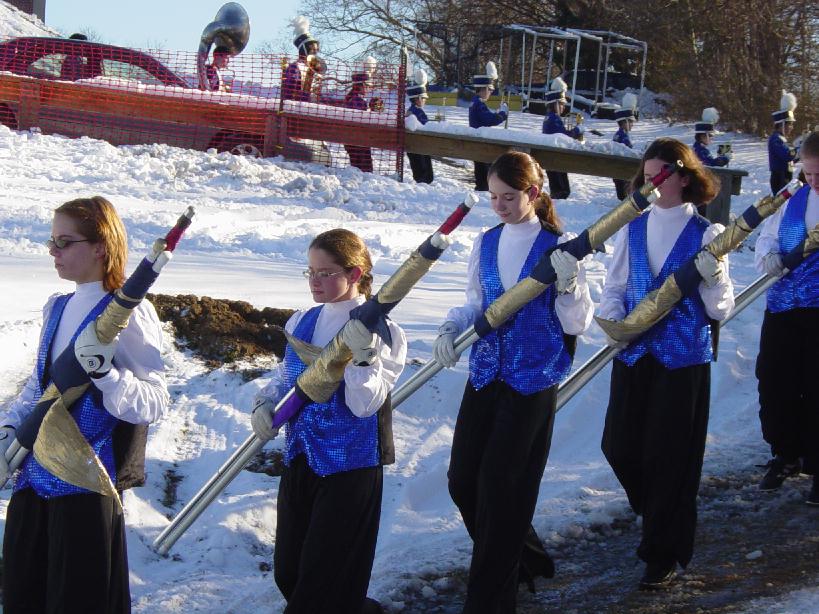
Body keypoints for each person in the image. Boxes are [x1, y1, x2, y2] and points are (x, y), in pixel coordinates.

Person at [433, 152, 593, 612]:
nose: (499, 205)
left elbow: (578, 322)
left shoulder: (559, 246)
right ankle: (526, 557)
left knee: (501, 488)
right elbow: (475, 302)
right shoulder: (485, 243)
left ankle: (489, 601)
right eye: (493, 197)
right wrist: (451, 327)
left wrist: (569, 286)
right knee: (463, 481)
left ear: (533, 193)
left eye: (508, 197)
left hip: (533, 378)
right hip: (486, 373)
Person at [0, 196, 169, 613]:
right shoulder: (57, 307)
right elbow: (38, 387)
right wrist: (8, 429)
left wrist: (106, 376)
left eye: (64, 242)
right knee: (23, 595)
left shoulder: (131, 313)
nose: (53, 251)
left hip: (87, 484)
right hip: (33, 478)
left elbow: (154, 402)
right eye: (51, 241)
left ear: (100, 247)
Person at [598, 137, 734, 590]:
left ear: (683, 176)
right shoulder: (631, 228)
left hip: (683, 361)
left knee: (670, 459)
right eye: (647, 174)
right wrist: (615, 322)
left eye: (661, 174)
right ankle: (658, 510)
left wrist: (715, 279)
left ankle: (662, 553)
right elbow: (615, 288)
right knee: (619, 447)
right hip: (635, 354)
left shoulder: (707, 234)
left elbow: (720, 309)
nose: (652, 182)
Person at [250, 229, 407, 614]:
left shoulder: (385, 332)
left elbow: (365, 405)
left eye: (325, 273)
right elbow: (286, 377)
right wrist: (265, 402)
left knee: (321, 582)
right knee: (289, 573)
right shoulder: (302, 320)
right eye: (311, 272)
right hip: (300, 458)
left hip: (349, 467)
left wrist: (363, 359)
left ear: (355, 274)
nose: (314, 282)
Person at [753, 130, 819, 505]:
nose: (814, 181)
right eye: (809, 173)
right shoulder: (792, 198)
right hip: (782, 305)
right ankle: (785, 452)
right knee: (775, 379)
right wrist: (769, 258)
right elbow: (768, 238)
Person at [541, 77, 584, 200]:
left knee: (559, 190)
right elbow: (563, 136)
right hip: (555, 159)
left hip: (552, 158)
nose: (563, 107)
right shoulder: (554, 119)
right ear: (555, 103)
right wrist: (577, 130)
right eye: (561, 104)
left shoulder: (550, 117)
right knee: (562, 190)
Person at [468, 61, 508, 191]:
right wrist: (503, 114)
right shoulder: (479, 104)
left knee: (482, 170)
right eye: (490, 89)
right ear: (484, 89)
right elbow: (489, 119)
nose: (491, 92)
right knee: (483, 173)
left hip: (478, 142)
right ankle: (482, 190)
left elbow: (487, 117)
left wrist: (498, 113)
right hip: (480, 143)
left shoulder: (476, 102)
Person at [405, 68, 434, 184]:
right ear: (418, 99)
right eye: (424, 98)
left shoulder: (413, 110)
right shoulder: (416, 112)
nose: (425, 101)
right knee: (423, 171)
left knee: (422, 170)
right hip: (419, 146)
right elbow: (424, 125)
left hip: (418, 146)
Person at [768, 90, 799, 194]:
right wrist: (800, 148)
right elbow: (787, 155)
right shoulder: (776, 139)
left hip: (785, 175)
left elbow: (791, 159)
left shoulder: (782, 139)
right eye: (790, 124)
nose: (791, 127)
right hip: (780, 177)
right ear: (782, 124)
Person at [344, 71, 374, 173]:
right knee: (364, 169)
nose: (369, 88)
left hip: (357, 140)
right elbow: (360, 120)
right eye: (367, 85)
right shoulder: (356, 100)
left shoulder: (356, 98)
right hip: (357, 140)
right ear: (361, 86)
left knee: (362, 168)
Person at [612, 92, 638, 200]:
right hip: (622, 171)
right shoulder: (624, 137)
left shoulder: (618, 134)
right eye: (631, 122)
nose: (632, 124)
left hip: (617, 172)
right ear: (624, 122)